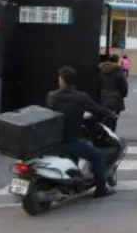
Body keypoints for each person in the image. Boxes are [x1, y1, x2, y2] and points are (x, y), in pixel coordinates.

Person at [47, 66, 117, 198]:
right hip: (70, 140)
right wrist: (111, 114)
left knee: (83, 145)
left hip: (53, 140)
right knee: (98, 156)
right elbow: (98, 110)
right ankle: (101, 190)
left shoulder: (52, 96)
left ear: (62, 80)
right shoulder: (80, 97)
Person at [98, 54, 128, 131]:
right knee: (113, 119)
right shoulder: (118, 71)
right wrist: (124, 94)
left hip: (103, 98)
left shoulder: (100, 70)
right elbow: (123, 85)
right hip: (116, 99)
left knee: (103, 118)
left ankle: (103, 133)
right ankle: (111, 134)